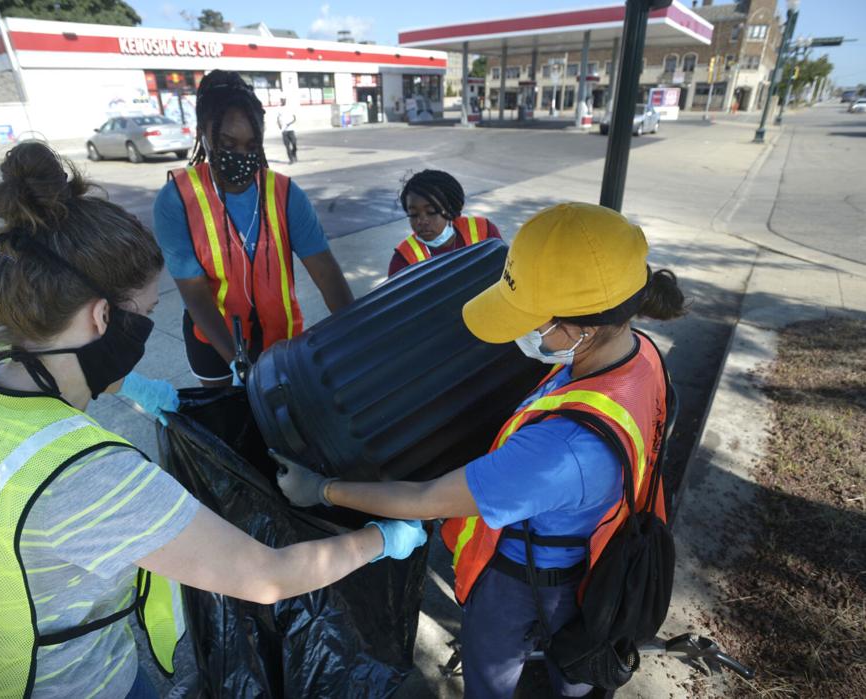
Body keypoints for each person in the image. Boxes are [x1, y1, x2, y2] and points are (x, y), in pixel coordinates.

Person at [0, 142, 426, 698]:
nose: (145, 331)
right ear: (101, 317)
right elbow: (268, 577)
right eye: (146, 316)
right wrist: (383, 538)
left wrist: (137, 388)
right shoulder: (83, 475)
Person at [274, 202, 686, 699]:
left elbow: (426, 499)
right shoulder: (638, 353)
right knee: (576, 668)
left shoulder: (564, 450)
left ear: (584, 329)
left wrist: (322, 489)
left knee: (493, 679)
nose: (522, 332)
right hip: (598, 550)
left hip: (530, 581)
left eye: (534, 319)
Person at [153, 70, 353, 385]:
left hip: (281, 340)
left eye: (251, 145)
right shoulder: (177, 199)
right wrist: (239, 364)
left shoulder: (286, 194)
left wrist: (356, 333)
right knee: (228, 423)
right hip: (213, 341)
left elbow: (327, 274)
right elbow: (196, 295)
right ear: (205, 132)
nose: (242, 157)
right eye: (228, 143)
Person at [389, 169, 502, 277]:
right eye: (413, 214)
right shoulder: (403, 259)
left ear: (450, 209)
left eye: (431, 211)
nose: (422, 221)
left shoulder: (483, 231)